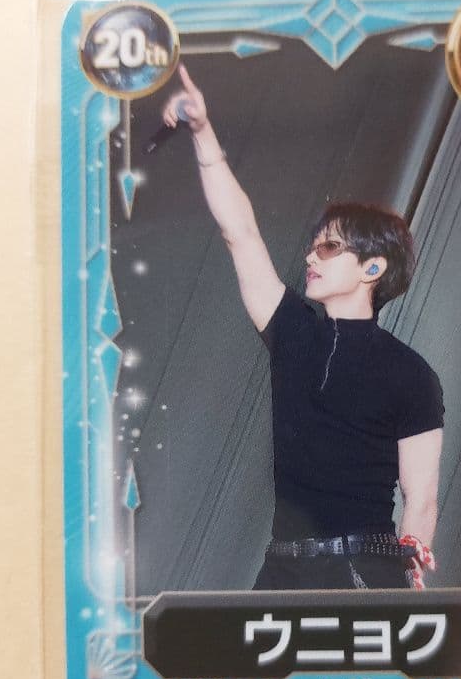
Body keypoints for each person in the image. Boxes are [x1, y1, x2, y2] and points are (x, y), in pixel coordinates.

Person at [163, 65, 444, 591]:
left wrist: (404, 581)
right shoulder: (294, 332)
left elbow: (421, 497)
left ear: (373, 267)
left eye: (330, 247)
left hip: (364, 570)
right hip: (283, 569)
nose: (312, 256)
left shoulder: (411, 374)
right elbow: (240, 233)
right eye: (314, 246)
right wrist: (202, 132)